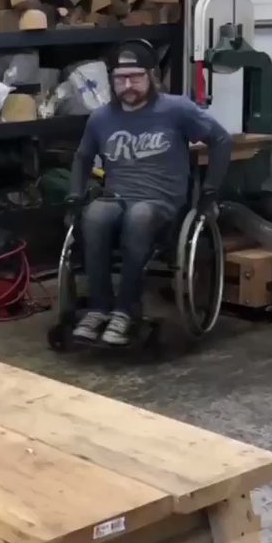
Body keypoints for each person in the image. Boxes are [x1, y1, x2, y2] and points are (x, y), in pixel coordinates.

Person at [67, 40, 232, 345]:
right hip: (117, 199)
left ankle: (126, 310)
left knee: (140, 216)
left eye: (136, 77)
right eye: (120, 79)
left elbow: (221, 140)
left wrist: (210, 192)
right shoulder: (101, 118)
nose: (127, 85)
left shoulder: (176, 110)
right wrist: (75, 197)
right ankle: (100, 308)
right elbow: (82, 158)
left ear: (152, 76)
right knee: (94, 216)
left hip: (164, 204)